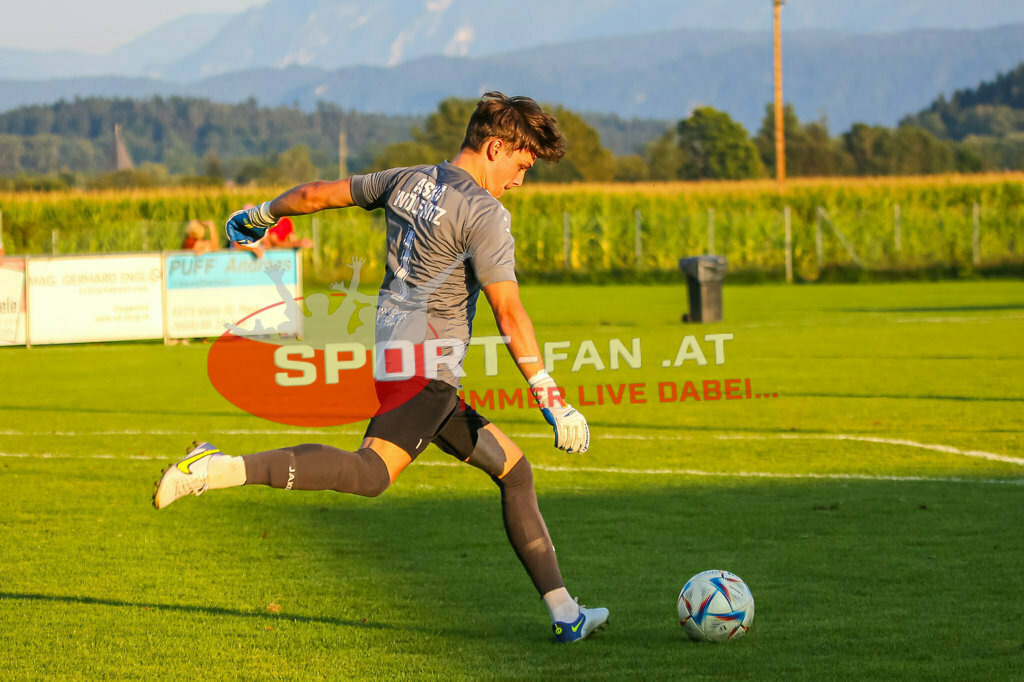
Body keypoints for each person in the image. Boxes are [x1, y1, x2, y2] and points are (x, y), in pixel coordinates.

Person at [153, 92, 608, 643]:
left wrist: (260, 215)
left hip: (396, 363)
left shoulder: (407, 179)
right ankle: (217, 468)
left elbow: (317, 194)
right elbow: (509, 312)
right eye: (521, 165)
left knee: (515, 471)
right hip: (426, 374)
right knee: (370, 475)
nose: (518, 180)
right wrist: (550, 396)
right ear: (495, 147)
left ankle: (565, 614)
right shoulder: (486, 214)